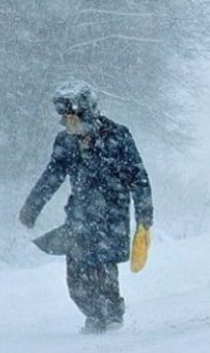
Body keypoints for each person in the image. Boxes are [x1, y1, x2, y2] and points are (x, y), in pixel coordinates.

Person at [19, 80, 153, 334]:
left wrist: (144, 216)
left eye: (74, 117)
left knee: (102, 266)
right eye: (65, 118)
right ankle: (93, 315)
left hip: (112, 213)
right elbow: (52, 175)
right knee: (76, 276)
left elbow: (139, 178)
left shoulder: (118, 136)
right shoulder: (65, 142)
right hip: (79, 215)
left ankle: (112, 314)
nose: (70, 124)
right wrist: (32, 206)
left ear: (89, 112)